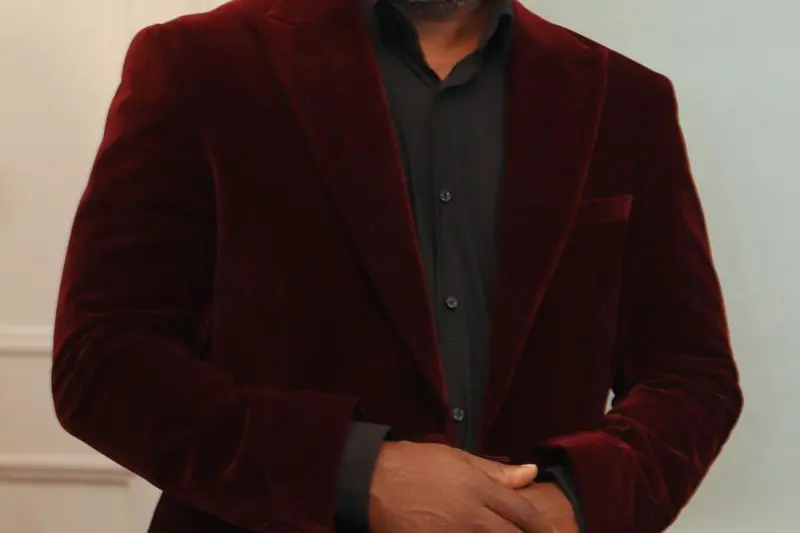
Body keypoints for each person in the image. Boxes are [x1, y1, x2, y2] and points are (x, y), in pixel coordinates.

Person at [51, 0, 743, 531]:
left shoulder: (627, 99)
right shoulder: (197, 63)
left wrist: (576, 500)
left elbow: (692, 377)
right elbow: (102, 360)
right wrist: (354, 472)